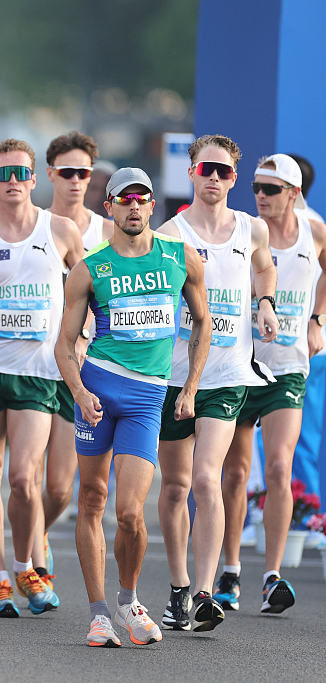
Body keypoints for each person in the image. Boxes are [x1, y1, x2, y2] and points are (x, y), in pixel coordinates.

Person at [56, 167, 209, 647]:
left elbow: (205, 324)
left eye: (142, 198)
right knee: (92, 499)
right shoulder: (90, 268)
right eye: (125, 200)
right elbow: (63, 345)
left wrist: (190, 388)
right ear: (111, 208)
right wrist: (80, 393)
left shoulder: (180, 258)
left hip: (148, 397)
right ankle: (99, 614)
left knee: (129, 513)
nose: (135, 206)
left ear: (152, 206)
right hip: (98, 391)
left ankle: (129, 599)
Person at [0, 139, 84, 618]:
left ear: (33, 178)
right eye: (2, 175)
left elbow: (86, 291)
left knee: (25, 478)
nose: (11, 182)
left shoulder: (61, 231)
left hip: (39, 375)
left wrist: (82, 336)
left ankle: (27, 565)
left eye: (19, 174)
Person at [156, 134, 279, 632]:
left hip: (227, 375)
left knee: (207, 478)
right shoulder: (169, 232)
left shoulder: (251, 229)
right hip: (173, 375)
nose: (213, 177)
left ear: (234, 179)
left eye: (224, 171)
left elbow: (266, 270)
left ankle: (204, 593)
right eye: (206, 168)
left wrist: (265, 303)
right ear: (191, 172)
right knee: (174, 486)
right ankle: (179, 587)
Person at [218, 154, 326, 615]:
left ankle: (272, 576)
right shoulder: (242, 229)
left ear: (294, 194)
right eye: (257, 188)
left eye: (271, 189)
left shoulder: (313, 230)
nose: (260, 196)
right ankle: (230, 570)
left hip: (288, 367)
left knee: (280, 468)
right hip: (241, 366)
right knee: (238, 474)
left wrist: (317, 318)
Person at [35, 132, 114, 587]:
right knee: (27, 474)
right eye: (66, 172)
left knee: (61, 487)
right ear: (51, 175)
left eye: (83, 173)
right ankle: (30, 555)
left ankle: (37, 534)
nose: (75, 181)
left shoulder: (107, 233)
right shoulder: (34, 224)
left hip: (84, 369)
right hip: (34, 363)